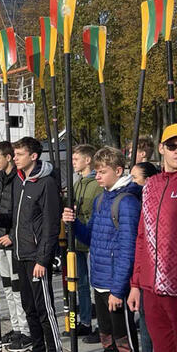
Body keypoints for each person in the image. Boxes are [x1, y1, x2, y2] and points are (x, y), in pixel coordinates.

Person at [0, 136, 62, 352]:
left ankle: (53, 349)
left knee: (43, 309)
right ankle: (37, 347)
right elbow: (15, 218)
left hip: (36, 257)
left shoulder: (46, 183)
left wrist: (43, 259)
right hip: (19, 253)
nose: (16, 158)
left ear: (33, 156)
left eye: (20, 155)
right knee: (28, 307)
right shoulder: (19, 181)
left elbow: (50, 224)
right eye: (15, 154)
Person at [63, 147, 140, 352]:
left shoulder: (127, 202)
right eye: (96, 171)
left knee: (123, 341)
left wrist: (118, 289)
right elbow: (90, 238)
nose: (97, 176)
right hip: (99, 281)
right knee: (107, 340)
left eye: (102, 171)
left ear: (118, 171)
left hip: (115, 285)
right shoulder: (101, 199)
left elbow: (128, 250)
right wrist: (73, 224)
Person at [129, 124, 177, 352]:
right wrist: (136, 284)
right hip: (151, 287)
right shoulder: (151, 186)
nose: (176, 150)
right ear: (161, 148)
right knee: (160, 346)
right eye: (171, 146)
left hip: (175, 286)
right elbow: (141, 237)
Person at [0, 141, 32, 350]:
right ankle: (16, 327)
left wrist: (12, 236)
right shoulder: (0, 180)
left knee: (17, 288)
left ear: (7, 158)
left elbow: (21, 214)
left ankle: (26, 330)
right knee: (6, 287)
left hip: (11, 241)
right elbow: (1, 210)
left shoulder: (17, 179)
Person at [70, 144, 102, 340]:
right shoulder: (78, 183)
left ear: (87, 160)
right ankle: (85, 321)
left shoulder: (97, 184)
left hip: (91, 241)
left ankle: (101, 325)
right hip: (77, 241)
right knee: (80, 283)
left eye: (76, 159)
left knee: (94, 286)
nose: (73, 163)